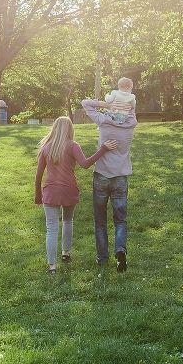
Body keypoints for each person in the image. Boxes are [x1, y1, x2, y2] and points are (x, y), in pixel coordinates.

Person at [35, 116, 118, 274]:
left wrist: (38, 196)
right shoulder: (73, 145)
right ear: (70, 129)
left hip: (51, 192)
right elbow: (85, 164)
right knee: (67, 221)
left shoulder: (47, 147)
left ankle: (52, 266)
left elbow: (38, 175)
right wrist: (103, 149)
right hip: (69, 190)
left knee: (51, 229)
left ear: (54, 128)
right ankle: (65, 254)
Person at [82, 93, 137, 272]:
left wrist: (108, 104)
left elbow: (86, 104)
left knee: (100, 221)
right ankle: (120, 250)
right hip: (120, 177)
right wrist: (124, 104)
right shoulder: (131, 123)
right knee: (120, 220)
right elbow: (132, 105)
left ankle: (102, 259)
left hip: (101, 176)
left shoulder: (104, 121)